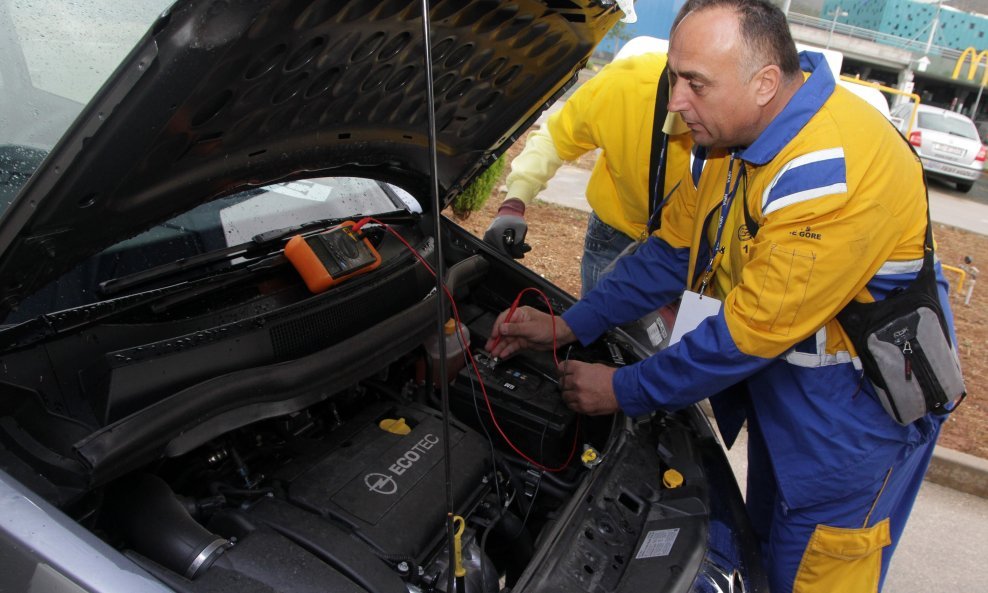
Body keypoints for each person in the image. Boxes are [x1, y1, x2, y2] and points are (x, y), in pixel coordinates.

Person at [485, 1, 960, 591]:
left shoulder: (832, 171)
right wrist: (571, 324)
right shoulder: (728, 138)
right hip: (789, 401)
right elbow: (672, 251)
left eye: (696, 84)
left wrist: (621, 390)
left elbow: (747, 333)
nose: (676, 101)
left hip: (852, 427)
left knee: (812, 572)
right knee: (761, 559)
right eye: (674, 78)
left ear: (764, 83)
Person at [483, 47, 684, 295]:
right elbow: (555, 139)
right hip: (617, 238)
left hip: (697, 254)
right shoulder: (626, 82)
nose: (681, 102)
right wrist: (514, 203)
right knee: (604, 329)